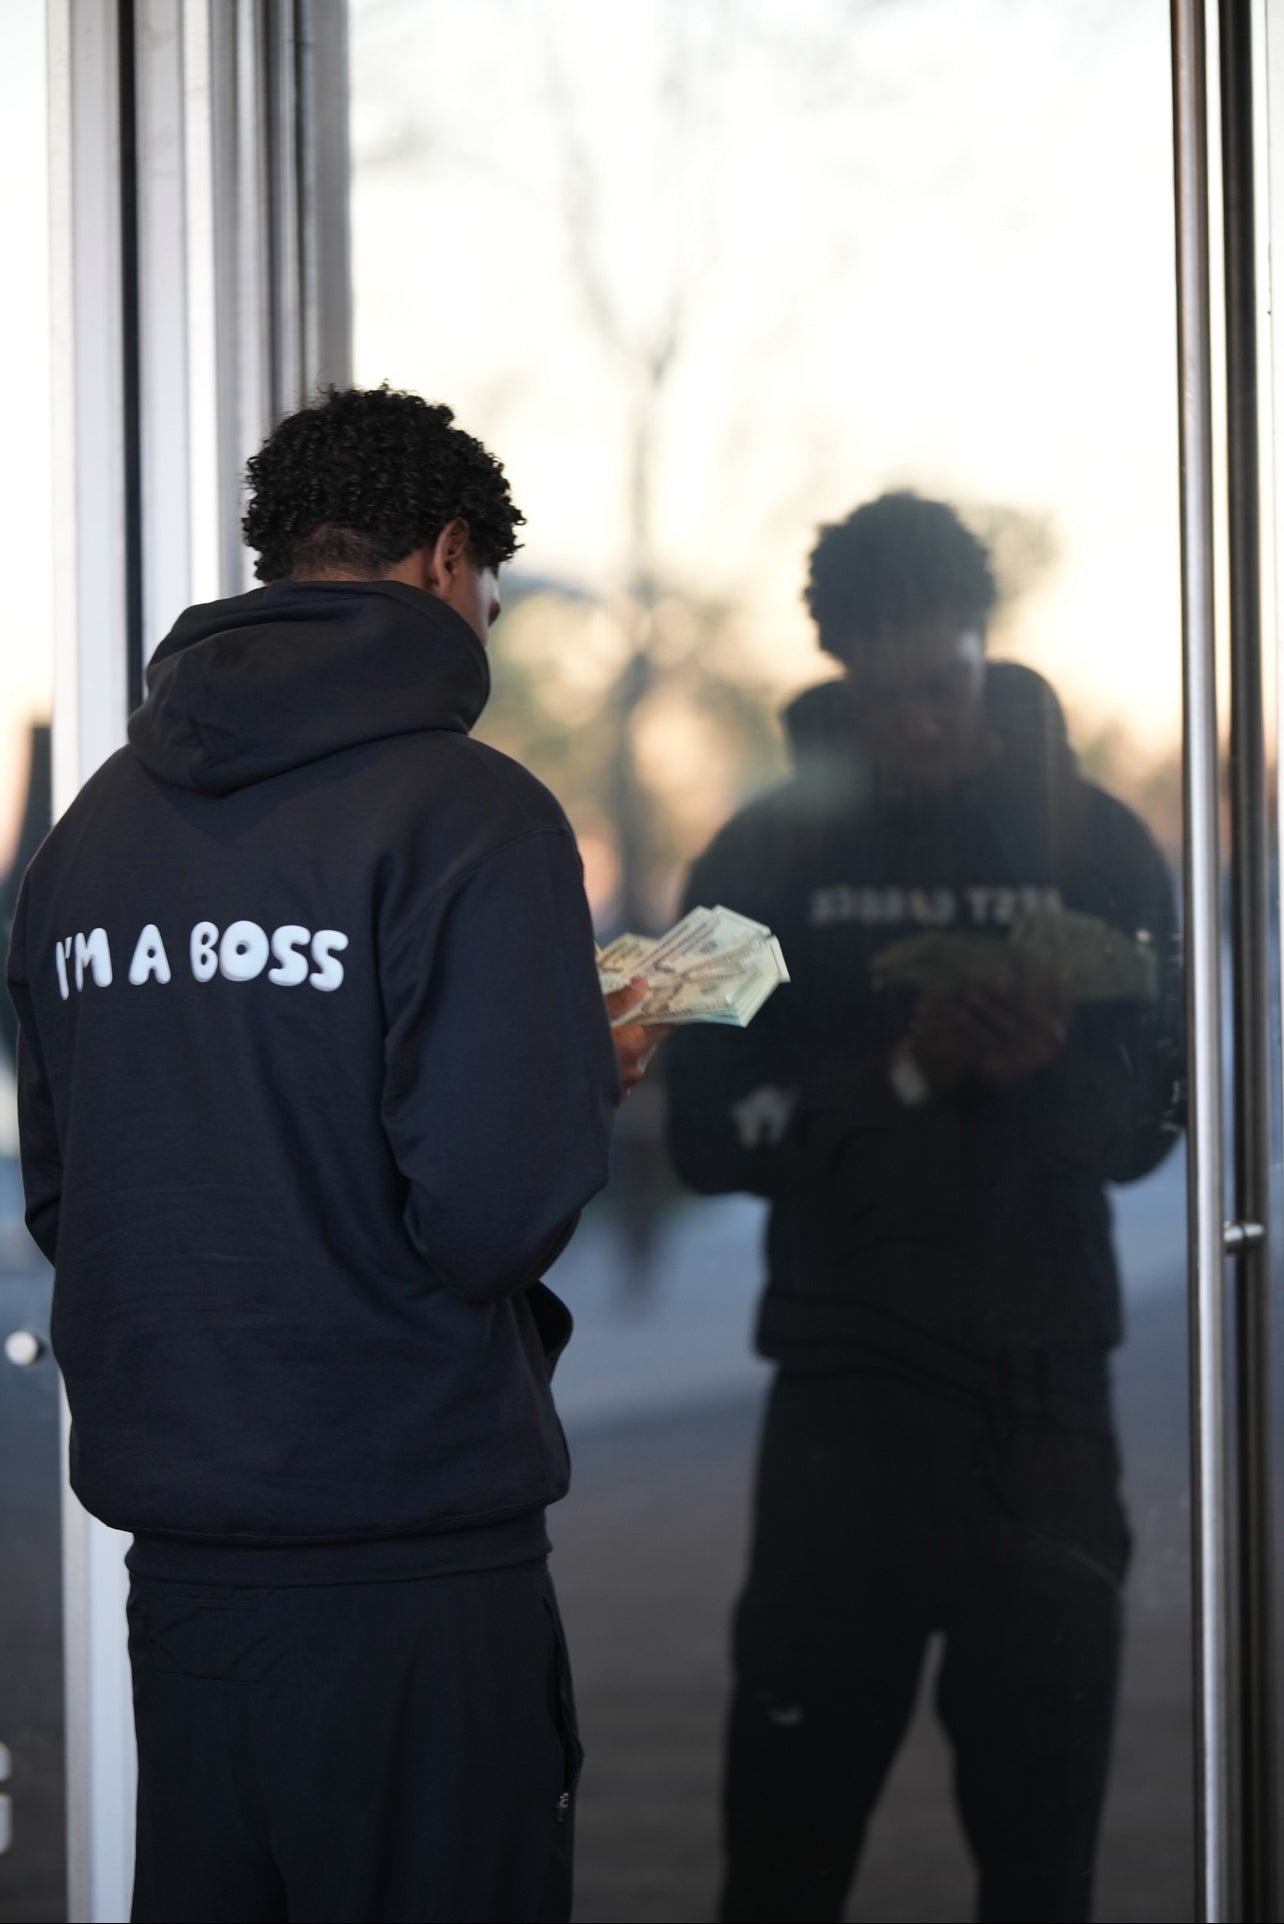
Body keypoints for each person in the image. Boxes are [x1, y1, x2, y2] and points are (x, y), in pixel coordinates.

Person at [7, 384, 667, 1924]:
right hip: (412, 1572)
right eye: (491, 587)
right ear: (450, 560)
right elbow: (492, 1213)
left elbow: (70, 1195)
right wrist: (584, 1067)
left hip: (186, 1570)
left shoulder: (94, 835)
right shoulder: (470, 815)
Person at [665, 493, 1182, 1923]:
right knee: (781, 1857)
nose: (918, 729)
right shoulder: (759, 858)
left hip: (1046, 1404)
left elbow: (1156, 1134)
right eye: (882, 700)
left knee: (1042, 1864)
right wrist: (898, 1075)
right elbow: (697, 1129)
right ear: (836, 671)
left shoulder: (1102, 847)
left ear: (984, 646)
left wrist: (1045, 1074)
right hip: (843, 1406)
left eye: (942, 691)